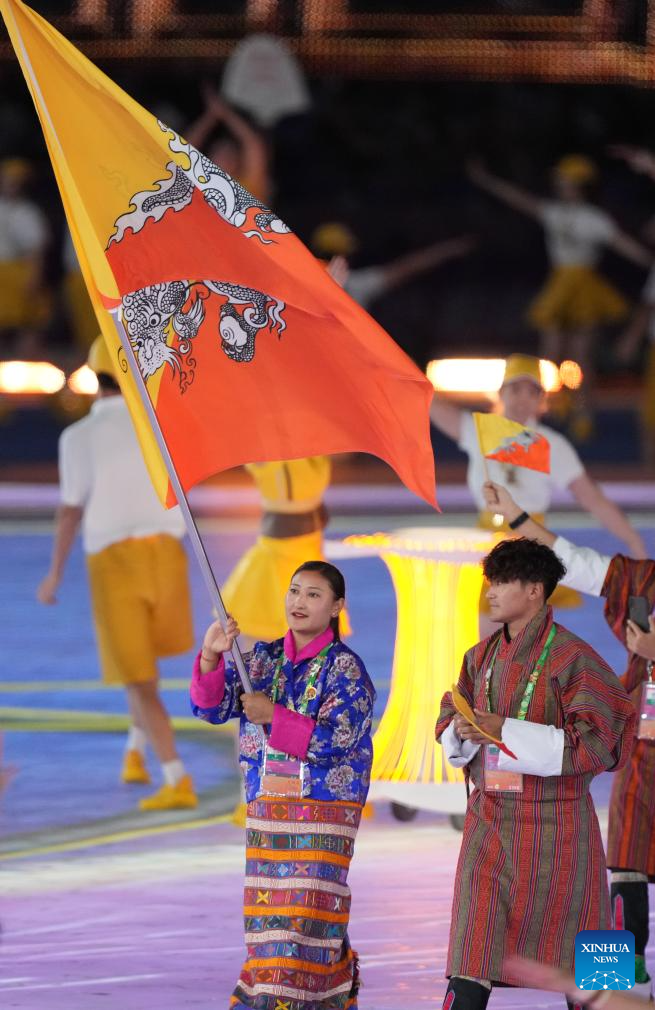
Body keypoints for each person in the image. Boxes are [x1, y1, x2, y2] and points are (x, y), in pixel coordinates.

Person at [435, 537, 635, 1010]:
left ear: (535, 590)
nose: (491, 592)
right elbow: (448, 713)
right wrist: (461, 731)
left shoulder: (574, 656)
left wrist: (504, 729)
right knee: (470, 953)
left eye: (503, 582)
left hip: (561, 831)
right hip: (490, 826)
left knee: (593, 969)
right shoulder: (477, 657)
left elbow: (603, 742)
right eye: (491, 581)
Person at [482, 478, 655, 997]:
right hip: (627, 761)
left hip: (571, 797)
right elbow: (572, 558)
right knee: (620, 867)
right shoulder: (483, 659)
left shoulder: (577, 662)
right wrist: (516, 515)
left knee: (591, 890)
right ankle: (622, 985)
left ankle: (612, 992)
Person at [191, 560, 375, 1010]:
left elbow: (339, 739)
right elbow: (210, 709)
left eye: (314, 594)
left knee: (301, 920)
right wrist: (212, 655)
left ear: (337, 607)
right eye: (295, 591)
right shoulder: (261, 660)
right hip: (269, 814)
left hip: (323, 815)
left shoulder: (347, 670)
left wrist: (273, 715)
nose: (300, 601)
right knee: (271, 927)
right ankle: (331, 992)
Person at [37, 335, 197, 811]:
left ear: (93, 380)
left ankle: (176, 778)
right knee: (143, 666)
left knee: (137, 677)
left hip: (114, 562)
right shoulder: (159, 425)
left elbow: (70, 512)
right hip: (168, 554)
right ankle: (134, 752)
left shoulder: (78, 437)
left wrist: (54, 574)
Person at [467, 156, 652, 432]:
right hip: (560, 282)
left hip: (584, 285)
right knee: (550, 351)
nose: (560, 187)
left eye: (565, 182)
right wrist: (489, 181)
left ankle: (583, 412)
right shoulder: (554, 212)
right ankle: (551, 405)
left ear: (580, 186)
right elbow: (522, 200)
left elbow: (626, 245)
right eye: (559, 182)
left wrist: (647, 258)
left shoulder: (594, 218)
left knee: (581, 354)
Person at [430, 352, 646, 559]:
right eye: (515, 389)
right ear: (501, 392)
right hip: (485, 544)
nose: (523, 399)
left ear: (541, 399)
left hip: (532, 544)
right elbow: (429, 401)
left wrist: (633, 540)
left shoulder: (552, 445)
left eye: (532, 392)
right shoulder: (478, 429)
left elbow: (592, 498)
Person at [222, 457, 349, 651]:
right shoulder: (268, 446)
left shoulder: (316, 444)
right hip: (276, 559)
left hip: (309, 552)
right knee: (264, 647)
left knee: (320, 647)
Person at [313, 220, 474, 312]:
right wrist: (451, 249)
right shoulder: (356, 285)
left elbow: (407, 267)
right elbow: (407, 267)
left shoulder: (356, 284)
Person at [185, 84, 271, 204]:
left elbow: (253, 145)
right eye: (218, 152)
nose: (223, 156)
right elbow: (182, 151)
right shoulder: (199, 184)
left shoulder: (248, 185)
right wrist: (210, 117)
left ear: (239, 162)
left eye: (230, 154)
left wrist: (225, 114)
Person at [0, 158, 51, 353]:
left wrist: (34, 276)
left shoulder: (28, 213)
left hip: (18, 272)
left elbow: (36, 249)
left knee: (27, 323)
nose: (11, 185)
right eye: (8, 179)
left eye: (16, 181)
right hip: (3, 274)